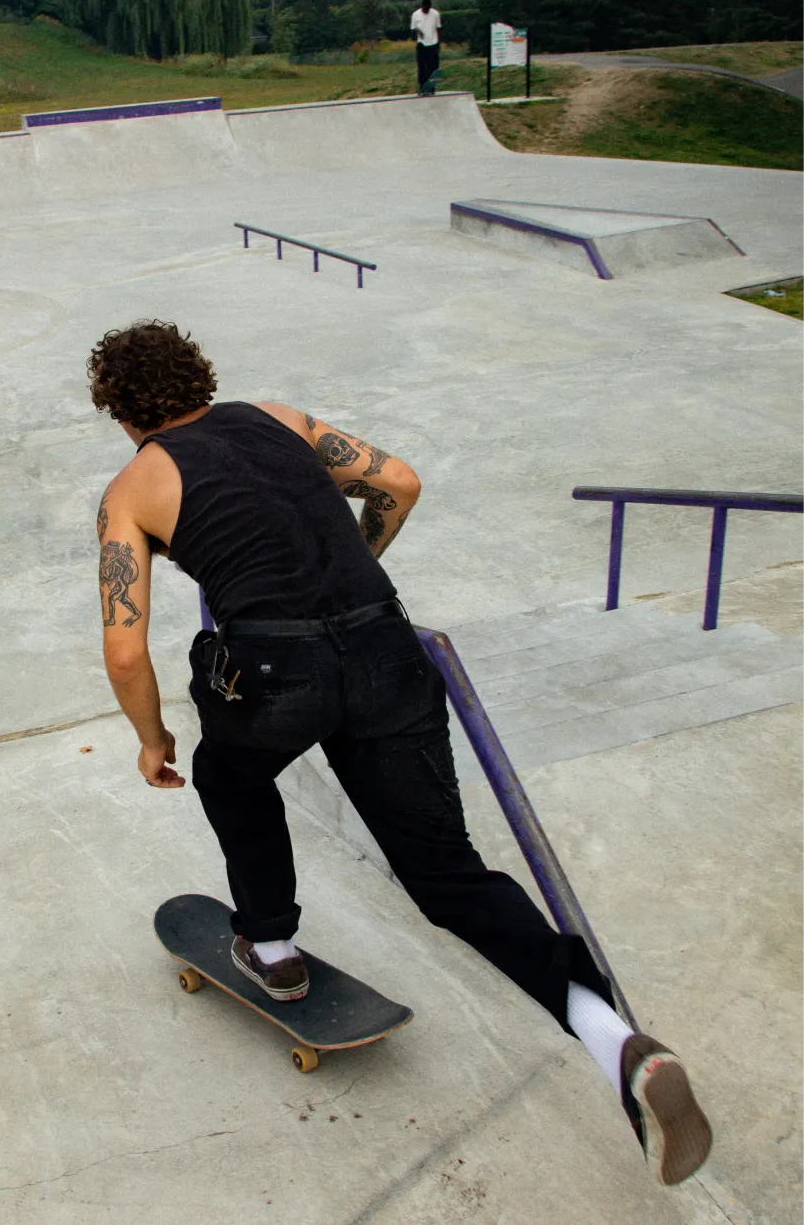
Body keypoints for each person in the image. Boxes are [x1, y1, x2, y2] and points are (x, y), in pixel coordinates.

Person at [88, 320, 712, 1187]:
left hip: (272, 676)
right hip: (385, 651)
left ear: (119, 412)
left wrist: (152, 738)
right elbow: (398, 482)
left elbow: (126, 652)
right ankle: (615, 1045)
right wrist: (351, 562)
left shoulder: (130, 487)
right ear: (202, 375)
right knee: (447, 873)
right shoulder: (283, 418)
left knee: (229, 773)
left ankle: (269, 946)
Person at [410, 0, 441, 95]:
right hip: (421, 44)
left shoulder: (435, 14)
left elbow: (438, 28)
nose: (427, 10)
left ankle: (431, 87)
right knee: (422, 67)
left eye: (428, 8)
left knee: (433, 67)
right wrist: (419, 31)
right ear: (422, 6)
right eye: (425, 8)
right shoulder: (415, 14)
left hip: (433, 44)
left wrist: (439, 43)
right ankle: (422, 87)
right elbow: (413, 28)